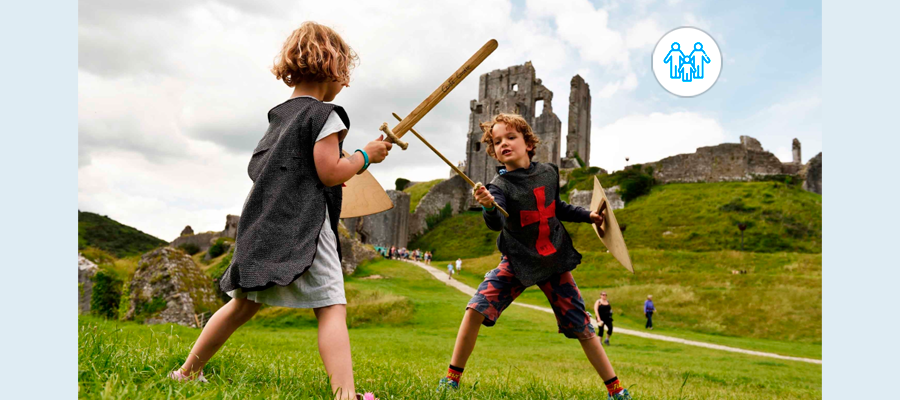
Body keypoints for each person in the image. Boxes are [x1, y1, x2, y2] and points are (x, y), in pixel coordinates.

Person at [168, 22, 391, 400]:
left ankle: (187, 372)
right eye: (345, 75)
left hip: (264, 224)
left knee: (241, 305)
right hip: (303, 228)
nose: (345, 84)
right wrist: (365, 156)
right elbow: (329, 171)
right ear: (333, 68)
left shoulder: (279, 118)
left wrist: (326, 174)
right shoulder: (326, 115)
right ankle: (346, 395)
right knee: (332, 306)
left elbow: (273, 169)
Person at [437, 114, 631, 400]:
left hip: (554, 260)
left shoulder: (549, 172)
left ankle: (616, 390)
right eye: (497, 141)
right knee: (475, 308)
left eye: (510, 137)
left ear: (528, 143)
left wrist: (588, 215)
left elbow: (557, 208)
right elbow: (496, 222)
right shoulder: (497, 188)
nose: (503, 144)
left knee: (583, 327)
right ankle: (452, 379)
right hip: (517, 261)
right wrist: (489, 207)